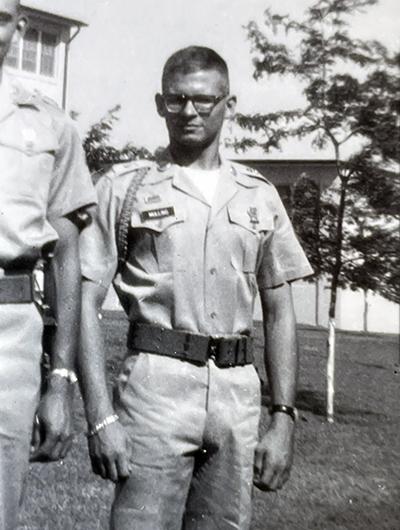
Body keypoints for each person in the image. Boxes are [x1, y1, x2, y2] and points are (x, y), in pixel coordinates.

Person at [79, 46, 313, 530]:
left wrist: (284, 416)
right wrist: (101, 417)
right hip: (156, 389)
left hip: (236, 395)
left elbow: (279, 307)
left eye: (204, 100)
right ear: (160, 103)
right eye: (177, 99)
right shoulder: (127, 188)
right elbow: (82, 300)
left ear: (230, 104)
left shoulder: (259, 194)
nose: (190, 111)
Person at [0, 1, 96, 528]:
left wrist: (59, 381)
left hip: (9, 334)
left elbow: (68, 260)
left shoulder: (51, 126)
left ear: (19, 24)